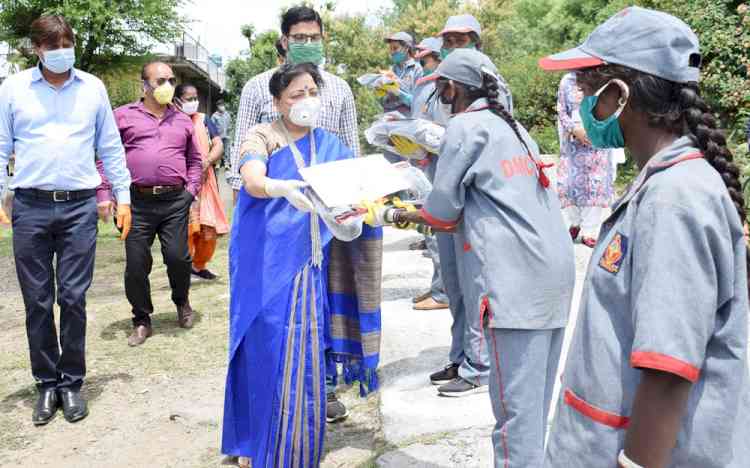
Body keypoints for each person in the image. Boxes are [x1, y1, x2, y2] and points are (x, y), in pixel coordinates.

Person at [539, 7, 750, 467]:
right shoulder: (662, 182)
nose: (582, 106)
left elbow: (668, 370)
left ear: (618, 94)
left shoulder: (674, 199)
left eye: (587, 90)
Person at [365, 49, 575, 467]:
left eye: (441, 87)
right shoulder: (512, 128)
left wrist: (391, 212)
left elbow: (442, 212)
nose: (439, 96)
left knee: (514, 419)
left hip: (515, 283)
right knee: (534, 411)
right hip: (554, 276)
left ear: (453, 88)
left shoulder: (464, 126)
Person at [222, 63, 381, 468]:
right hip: (264, 261)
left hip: (311, 265)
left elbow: (357, 195)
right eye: (295, 95)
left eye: (311, 91)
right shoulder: (263, 135)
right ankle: (253, 442)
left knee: (303, 352)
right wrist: (274, 186)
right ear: (277, 101)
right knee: (262, 347)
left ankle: (291, 450)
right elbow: (251, 175)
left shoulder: (332, 146)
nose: (305, 101)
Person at [0, 15, 132, 425]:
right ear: (37, 49)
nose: (62, 52)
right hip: (30, 206)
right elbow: (1, 145)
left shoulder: (92, 88)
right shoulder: (13, 89)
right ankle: (46, 384)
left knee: (73, 298)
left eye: (67, 43)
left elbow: (110, 146)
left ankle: (71, 382)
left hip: (79, 207)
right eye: (53, 45)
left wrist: (122, 198)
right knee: (37, 301)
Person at [109, 62, 203, 347]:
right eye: (160, 80)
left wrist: (190, 191)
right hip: (136, 202)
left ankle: (182, 301)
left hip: (175, 201)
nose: (167, 86)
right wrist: (109, 193)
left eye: (171, 81)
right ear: (144, 86)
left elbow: (195, 161)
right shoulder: (123, 116)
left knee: (178, 258)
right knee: (137, 264)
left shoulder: (182, 120)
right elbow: (106, 156)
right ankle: (141, 320)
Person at [398, 36, 450, 311]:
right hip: (425, 163)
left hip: (441, 165)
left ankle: (444, 293)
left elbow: (444, 132)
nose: (422, 63)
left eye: (427, 59)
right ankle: (438, 286)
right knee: (431, 228)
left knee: (439, 226)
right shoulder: (425, 85)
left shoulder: (446, 86)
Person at [175, 84, 229, 280]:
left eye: (195, 97)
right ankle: (184, 267)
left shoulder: (204, 120)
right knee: (188, 229)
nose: (193, 102)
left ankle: (199, 265)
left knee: (209, 229)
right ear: (177, 100)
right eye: (189, 98)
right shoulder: (171, 120)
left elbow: (218, 144)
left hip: (206, 182)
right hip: (183, 184)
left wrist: (206, 162)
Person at [556, 72, 614, 247]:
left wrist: (597, 128)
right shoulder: (567, 80)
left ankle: (590, 230)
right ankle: (575, 222)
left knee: (594, 184)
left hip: (598, 138)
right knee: (569, 184)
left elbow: (613, 108)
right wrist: (575, 130)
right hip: (573, 141)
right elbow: (561, 109)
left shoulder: (605, 79)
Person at [211, 99, 232, 168]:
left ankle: (226, 163)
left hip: (227, 135)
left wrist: (229, 131)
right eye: (220, 105)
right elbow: (212, 126)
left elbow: (230, 123)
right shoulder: (214, 116)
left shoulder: (227, 114)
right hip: (218, 136)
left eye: (223, 105)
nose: (222, 107)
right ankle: (218, 163)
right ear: (217, 106)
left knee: (227, 150)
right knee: (218, 150)